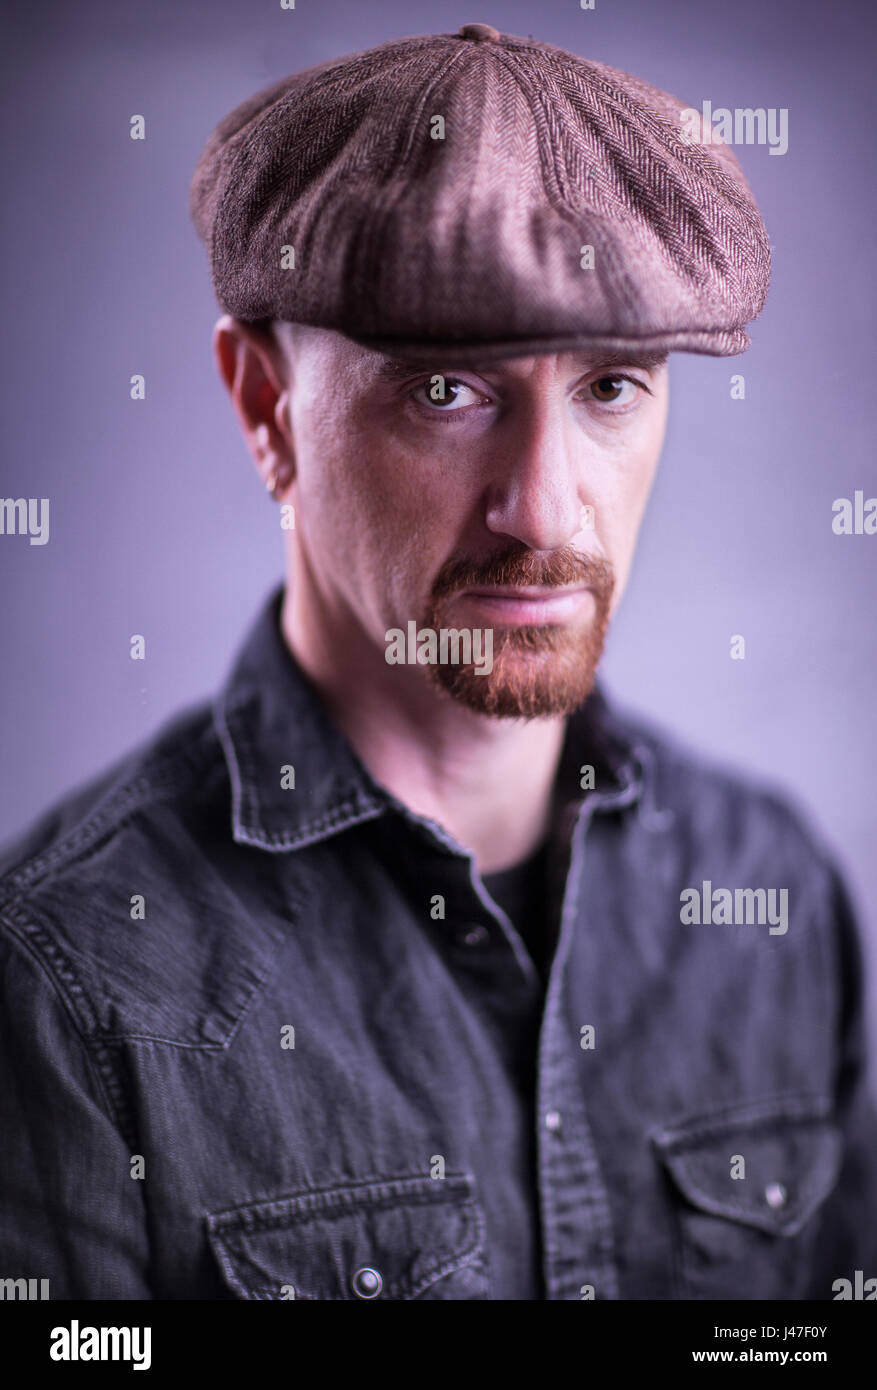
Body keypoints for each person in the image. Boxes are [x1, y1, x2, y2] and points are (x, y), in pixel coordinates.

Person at [1, 23, 875, 1301]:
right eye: (446, 392)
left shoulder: (770, 889)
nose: (544, 508)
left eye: (610, 388)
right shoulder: (66, 973)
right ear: (264, 408)